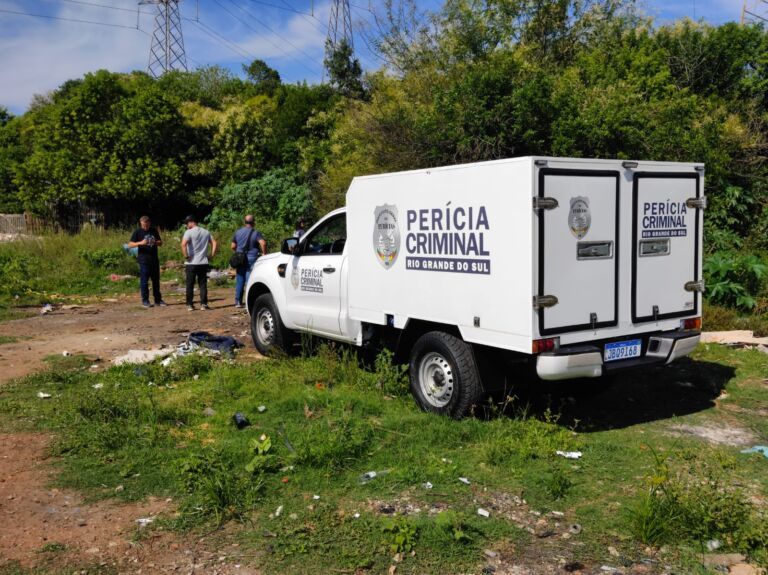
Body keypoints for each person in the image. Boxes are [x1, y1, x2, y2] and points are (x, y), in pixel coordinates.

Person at [128, 216, 166, 309]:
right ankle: (145, 300)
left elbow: (160, 242)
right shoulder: (137, 232)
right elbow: (130, 244)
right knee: (144, 281)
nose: (145, 227)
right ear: (141, 223)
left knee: (156, 281)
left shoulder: (153, 230)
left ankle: (158, 300)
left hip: (154, 259)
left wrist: (156, 242)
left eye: (147, 225)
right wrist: (141, 243)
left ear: (149, 223)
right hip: (143, 260)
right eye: (144, 225)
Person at [181, 215, 217, 311]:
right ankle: (204, 304)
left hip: (191, 263)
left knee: (190, 284)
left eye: (187, 223)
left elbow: (183, 244)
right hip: (203, 262)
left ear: (192, 222)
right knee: (202, 284)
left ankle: (189, 305)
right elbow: (214, 242)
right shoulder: (206, 232)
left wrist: (186, 256)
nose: (186, 225)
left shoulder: (188, 232)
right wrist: (211, 255)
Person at [231, 214, 267, 308]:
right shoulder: (256, 233)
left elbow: (233, 246)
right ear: (253, 223)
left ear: (244, 222)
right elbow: (263, 243)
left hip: (240, 258)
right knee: (250, 280)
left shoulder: (238, 232)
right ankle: (249, 303)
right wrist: (264, 254)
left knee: (240, 280)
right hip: (251, 258)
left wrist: (238, 253)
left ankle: (238, 302)